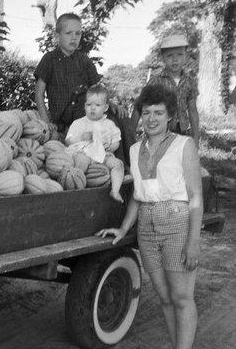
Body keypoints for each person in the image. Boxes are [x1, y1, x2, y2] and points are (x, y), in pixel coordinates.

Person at [97, 83, 203, 349]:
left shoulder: (184, 145)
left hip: (177, 221)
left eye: (158, 112)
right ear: (140, 116)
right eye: (147, 113)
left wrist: (193, 242)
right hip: (146, 225)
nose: (152, 118)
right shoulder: (134, 149)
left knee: (181, 297)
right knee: (164, 297)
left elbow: (196, 197)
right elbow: (137, 194)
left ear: (170, 116)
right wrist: (123, 229)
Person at [34, 12, 124, 137]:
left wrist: (111, 104)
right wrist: (46, 122)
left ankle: (126, 156)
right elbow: (39, 94)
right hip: (59, 122)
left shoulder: (84, 60)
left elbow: (97, 90)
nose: (74, 37)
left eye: (78, 33)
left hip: (84, 120)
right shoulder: (49, 60)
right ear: (57, 35)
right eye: (68, 33)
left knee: (118, 121)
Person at [131, 34, 200, 147]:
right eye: (170, 56)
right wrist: (131, 132)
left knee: (178, 160)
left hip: (181, 130)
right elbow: (139, 107)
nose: (175, 59)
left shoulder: (190, 81)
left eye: (179, 55)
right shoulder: (156, 81)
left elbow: (192, 110)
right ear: (163, 58)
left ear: (186, 56)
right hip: (159, 131)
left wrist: (196, 136)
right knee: (158, 160)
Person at [65, 84, 125, 202]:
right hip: (85, 154)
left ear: (106, 107)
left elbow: (116, 141)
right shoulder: (79, 123)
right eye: (89, 104)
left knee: (118, 164)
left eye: (97, 105)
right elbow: (68, 141)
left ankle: (115, 190)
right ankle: (76, 189)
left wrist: (111, 147)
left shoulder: (109, 125)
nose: (92, 108)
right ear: (84, 106)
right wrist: (81, 137)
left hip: (103, 156)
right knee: (81, 161)